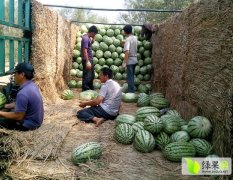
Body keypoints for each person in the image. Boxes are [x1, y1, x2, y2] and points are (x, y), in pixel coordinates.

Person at [0, 63, 44, 131]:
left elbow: (18, 116)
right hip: (36, 121)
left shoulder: (22, 93)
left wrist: (1, 113)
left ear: (22, 75)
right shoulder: (32, 85)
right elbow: (24, 103)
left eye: (15, 73)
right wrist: (5, 106)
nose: (14, 76)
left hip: (28, 125)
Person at [81, 25, 98, 91]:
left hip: (89, 59)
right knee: (87, 76)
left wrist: (93, 38)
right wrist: (87, 61)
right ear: (93, 32)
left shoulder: (88, 38)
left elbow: (90, 44)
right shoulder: (85, 38)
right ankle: (85, 89)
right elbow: (84, 50)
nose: (95, 35)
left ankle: (90, 88)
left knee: (91, 75)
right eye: (95, 34)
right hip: (87, 59)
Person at [122, 25, 138, 93]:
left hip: (130, 60)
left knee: (130, 77)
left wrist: (124, 62)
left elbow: (127, 51)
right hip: (135, 59)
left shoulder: (127, 40)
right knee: (132, 76)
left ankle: (131, 92)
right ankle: (131, 90)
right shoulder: (135, 38)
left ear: (125, 32)